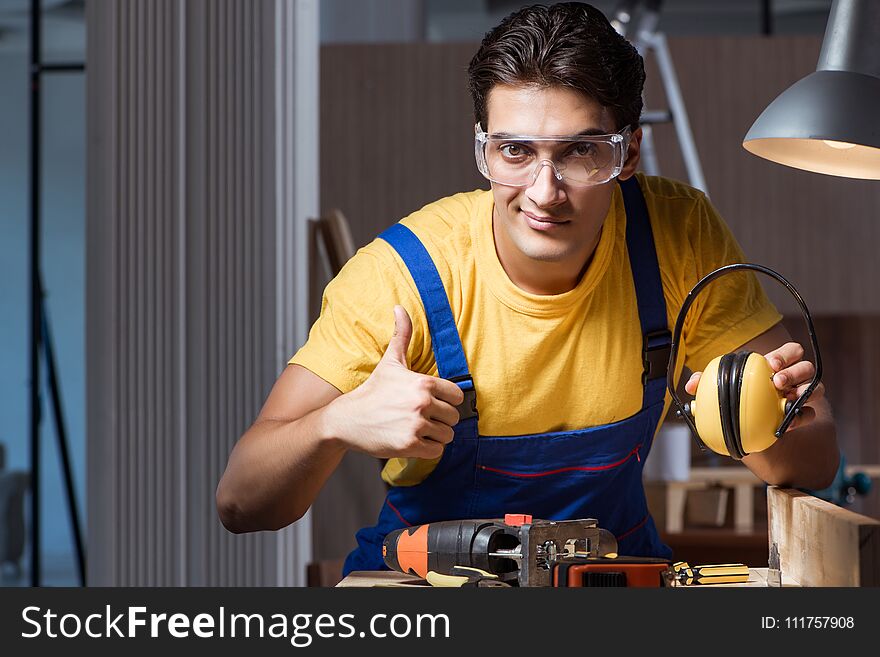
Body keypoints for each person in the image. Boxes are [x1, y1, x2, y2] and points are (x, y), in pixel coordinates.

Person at [216, 2, 838, 575]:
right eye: (514, 150)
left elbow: (815, 463)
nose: (543, 191)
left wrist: (758, 425)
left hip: (616, 588)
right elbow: (242, 503)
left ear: (628, 156)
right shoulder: (402, 274)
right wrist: (336, 422)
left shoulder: (675, 238)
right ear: (482, 148)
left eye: (579, 152)